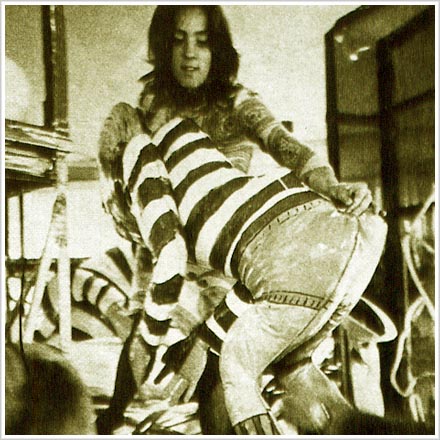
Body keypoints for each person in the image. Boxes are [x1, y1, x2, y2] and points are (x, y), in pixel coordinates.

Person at [97, 5, 384, 435]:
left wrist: (332, 187)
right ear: (162, 46)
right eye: (178, 40)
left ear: (218, 49)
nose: (189, 53)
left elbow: (284, 145)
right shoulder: (148, 108)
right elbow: (137, 196)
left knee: (220, 374)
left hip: (229, 258)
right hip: (166, 253)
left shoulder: (236, 101)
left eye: (202, 41)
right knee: (148, 353)